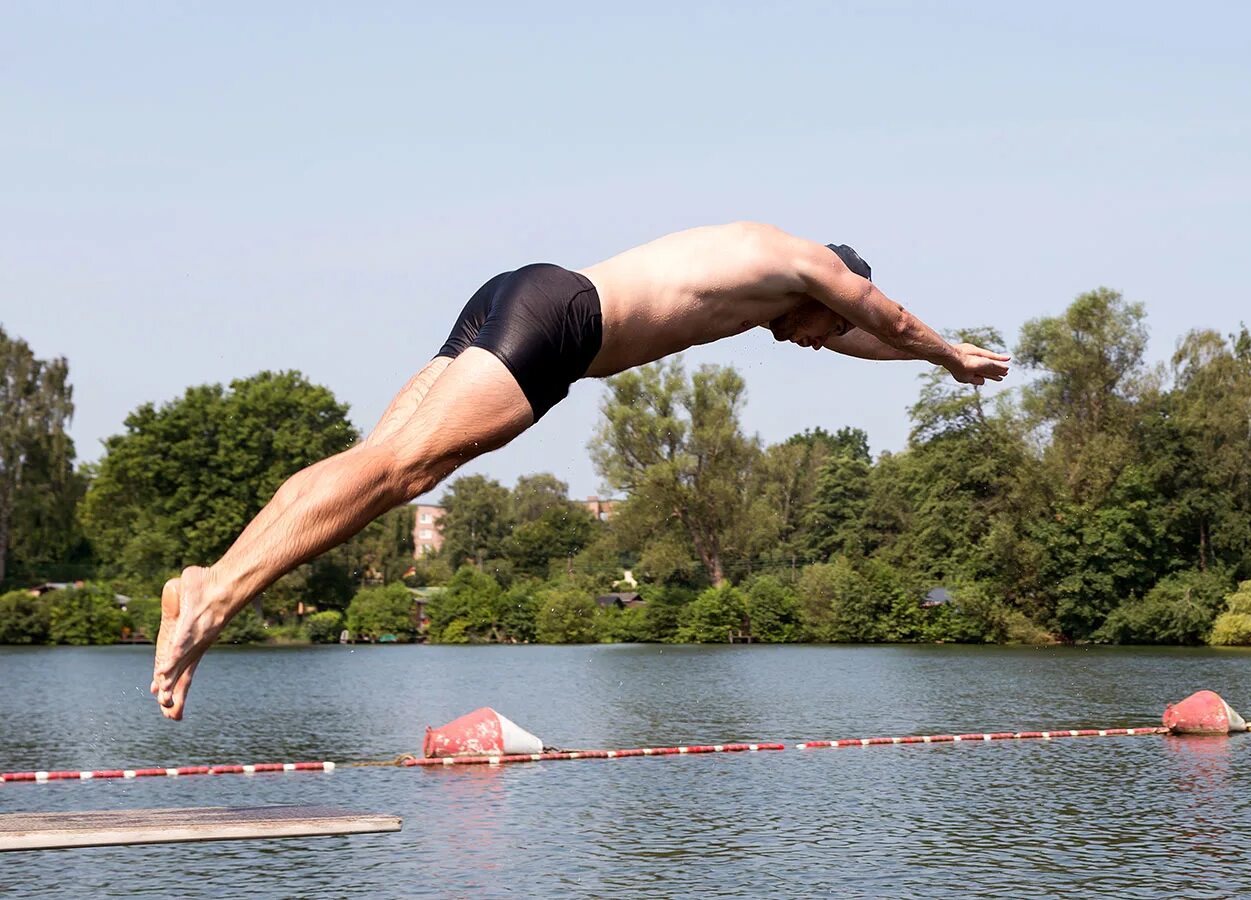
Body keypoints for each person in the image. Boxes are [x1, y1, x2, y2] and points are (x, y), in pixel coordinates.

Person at [150, 221, 1011, 719]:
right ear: (832, 290)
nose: (813, 343)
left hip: (521, 294)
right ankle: (217, 599)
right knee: (399, 472)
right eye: (822, 327)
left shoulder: (769, 282)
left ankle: (207, 578)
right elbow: (883, 316)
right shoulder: (808, 263)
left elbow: (865, 338)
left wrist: (918, 362)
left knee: (383, 466)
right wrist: (951, 356)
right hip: (559, 326)